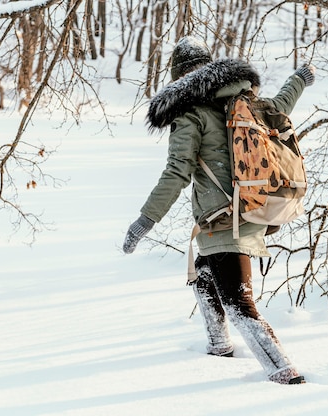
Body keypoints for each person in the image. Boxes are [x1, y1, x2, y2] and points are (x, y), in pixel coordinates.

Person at [122, 36, 315, 385]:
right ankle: (219, 346)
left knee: (239, 303)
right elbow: (283, 103)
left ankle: (285, 373)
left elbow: (178, 170)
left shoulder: (189, 115)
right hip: (255, 207)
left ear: (179, 78)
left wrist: (145, 219)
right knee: (204, 271)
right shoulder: (244, 102)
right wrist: (299, 78)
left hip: (224, 219)